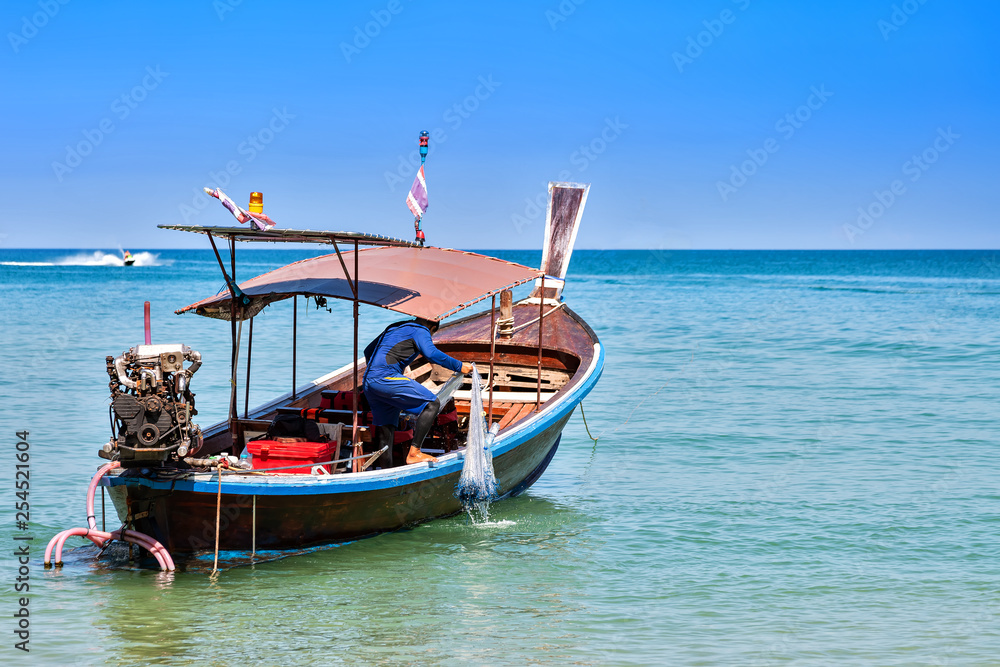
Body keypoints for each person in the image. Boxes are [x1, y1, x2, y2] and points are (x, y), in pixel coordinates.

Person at [362, 318, 472, 467]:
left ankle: (386, 471)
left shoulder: (396, 325)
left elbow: (368, 351)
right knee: (432, 404)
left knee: (385, 429)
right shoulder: (421, 330)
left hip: (370, 381)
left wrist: (379, 374)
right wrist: (459, 365)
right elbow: (431, 353)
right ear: (432, 327)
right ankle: (414, 452)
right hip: (386, 378)